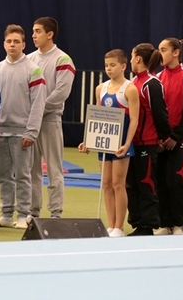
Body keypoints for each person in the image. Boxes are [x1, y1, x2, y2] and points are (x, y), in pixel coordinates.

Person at [0, 25, 45, 230]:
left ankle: (23, 215)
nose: (12, 45)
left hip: (22, 133)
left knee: (23, 176)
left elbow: (38, 104)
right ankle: (6, 214)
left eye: (16, 42)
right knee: (2, 176)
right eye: (9, 41)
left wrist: (32, 132)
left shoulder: (33, 70)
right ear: (4, 44)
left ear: (24, 44)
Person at [78, 49, 139, 237]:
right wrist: (88, 140)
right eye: (106, 65)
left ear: (123, 66)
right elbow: (96, 116)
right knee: (106, 183)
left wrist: (127, 143)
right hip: (105, 142)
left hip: (121, 143)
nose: (109, 69)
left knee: (118, 184)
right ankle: (111, 225)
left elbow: (134, 120)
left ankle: (119, 227)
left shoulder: (130, 89)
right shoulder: (101, 88)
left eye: (113, 65)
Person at [27, 17, 75, 220]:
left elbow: (61, 92)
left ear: (50, 34)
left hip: (50, 120)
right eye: (33, 31)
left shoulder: (63, 59)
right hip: (30, 122)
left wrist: (38, 110)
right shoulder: (28, 59)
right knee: (31, 169)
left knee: (54, 168)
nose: (33, 35)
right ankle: (32, 212)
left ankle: (56, 212)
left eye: (38, 31)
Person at [154, 38, 183, 235]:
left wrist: (175, 137)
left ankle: (179, 224)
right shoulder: (157, 78)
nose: (160, 53)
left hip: (179, 141)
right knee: (161, 183)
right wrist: (159, 138)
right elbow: (155, 111)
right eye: (159, 49)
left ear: (176, 52)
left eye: (164, 49)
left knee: (176, 182)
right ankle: (165, 224)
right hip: (160, 142)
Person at [126, 43, 171, 236]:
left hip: (147, 142)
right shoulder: (133, 82)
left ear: (137, 58)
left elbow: (160, 114)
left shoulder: (151, 83)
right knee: (131, 185)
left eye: (131, 56)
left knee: (146, 184)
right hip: (132, 143)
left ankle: (148, 225)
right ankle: (138, 223)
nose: (130, 60)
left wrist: (163, 136)